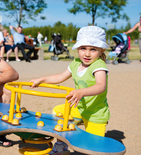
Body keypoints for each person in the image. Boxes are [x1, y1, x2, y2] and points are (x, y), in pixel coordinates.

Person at [30, 26, 110, 154]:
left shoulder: (99, 65)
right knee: (58, 112)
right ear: (78, 48)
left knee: (93, 148)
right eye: (83, 48)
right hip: (79, 107)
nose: (87, 53)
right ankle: (62, 144)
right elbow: (60, 77)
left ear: (101, 50)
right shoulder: (76, 63)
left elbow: (101, 86)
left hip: (95, 113)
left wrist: (81, 92)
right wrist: (41, 79)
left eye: (93, 49)